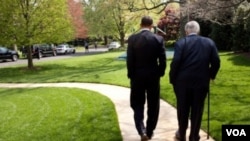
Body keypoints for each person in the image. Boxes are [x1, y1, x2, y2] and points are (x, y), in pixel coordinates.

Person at [169, 21, 220, 141]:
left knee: (183, 108)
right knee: (197, 109)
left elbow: (175, 62)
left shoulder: (181, 43)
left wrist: (172, 79)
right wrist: (211, 75)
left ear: (186, 31)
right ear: (198, 30)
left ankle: (181, 134)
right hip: (201, 82)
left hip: (182, 83)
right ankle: (194, 136)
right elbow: (216, 62)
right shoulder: (209, 42)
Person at [126, 16, 166, 141]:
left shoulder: (133, 39)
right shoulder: (158, 39)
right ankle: (149, 131)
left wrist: (131, 74)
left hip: (137, 76)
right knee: (153, 104)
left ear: (140, 25)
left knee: (137, 103)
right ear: (151, 25)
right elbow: (163, 60)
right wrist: (160, 73)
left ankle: (141, 130)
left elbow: (130, 60)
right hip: (153, 76)